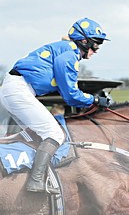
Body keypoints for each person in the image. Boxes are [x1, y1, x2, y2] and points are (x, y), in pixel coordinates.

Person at [0, 17, 110, 193]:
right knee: (55, 134)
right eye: (95, 44)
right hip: (19, 90)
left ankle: (17, 179)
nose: (96, 50)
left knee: (33, 136)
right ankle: (36, 181)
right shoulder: (70, 55)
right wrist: (95, 100)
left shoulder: (66, 50)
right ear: (84, 41)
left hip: (15, 89)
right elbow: (71, 96)